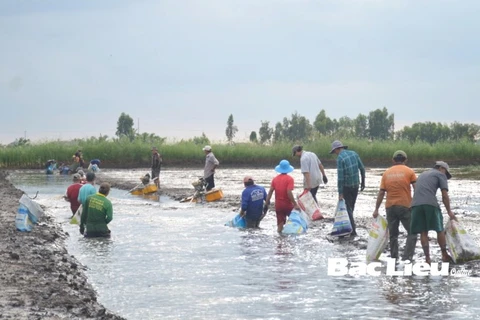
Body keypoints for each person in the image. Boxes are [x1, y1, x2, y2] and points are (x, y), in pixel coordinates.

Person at [372, 150, 418, 261]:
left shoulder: (386, 173)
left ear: (393, 160)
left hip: (390, 207)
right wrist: (415, 204)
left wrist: (376, 209)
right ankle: (407, 257)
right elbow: (417, 189)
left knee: (393, 235)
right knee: (412, 232)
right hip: (405, 206)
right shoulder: (410, 172)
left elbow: (382, 192)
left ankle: (394, 257)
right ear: (405, 160)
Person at [410, 161, 457, 264]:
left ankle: (427, 259)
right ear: (441, 168)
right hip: (430, 204)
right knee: (439, 229)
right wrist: (449, 211)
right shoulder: (440, 174)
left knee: (423, 231)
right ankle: (444, 254)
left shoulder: (423, 174)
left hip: (416, 204)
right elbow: (444, 195)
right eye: (445, 172)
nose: (445, 175)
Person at [330, 140, 365, 237]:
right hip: (356, 185)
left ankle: (352, 231)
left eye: (334, 152)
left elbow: (340, 178)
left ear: (337, 149)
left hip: (347, 186)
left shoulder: (340, 159)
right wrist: (363, 182)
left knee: (348, 208)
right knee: (351, 207)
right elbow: (362, 168)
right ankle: (349, 227)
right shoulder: (354, 154)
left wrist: (340, 193)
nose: (335, 154)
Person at [265, 160, 301, 233]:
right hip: (288, 204)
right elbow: (289, 192)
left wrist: (266, 202)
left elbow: (270, 191)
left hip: (278, 205)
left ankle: (280, 239)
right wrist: (295, 204)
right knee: (294, 220)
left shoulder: (275, 179)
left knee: (280, 224)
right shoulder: (290, 179)